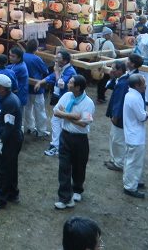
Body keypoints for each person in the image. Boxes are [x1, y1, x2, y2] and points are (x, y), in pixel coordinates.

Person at [53, 75, 95, 210]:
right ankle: (65, 198)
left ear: (77, 87)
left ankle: (77, 188)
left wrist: (65, 115)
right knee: (64, 167)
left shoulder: (88, 103)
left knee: (79, 166)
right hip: (65, 136)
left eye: (71, 82)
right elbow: (55, 111)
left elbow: (84, 123)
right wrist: (73, 116)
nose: (68, 83)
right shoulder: (67, 96)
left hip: (80, 139)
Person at [0, 73, 23, 211]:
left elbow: (9, 126)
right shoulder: (9, 98)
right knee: (11, 167)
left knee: (4, 170)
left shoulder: (9, 102)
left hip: (10, 140)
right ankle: (13, 193)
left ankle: (0, 200)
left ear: (2, 88)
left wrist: (0, 142)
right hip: (13, 137)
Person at [35, 51, 77, 157]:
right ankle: (59, 145)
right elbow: (51, 77)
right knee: (60, 122)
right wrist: (41, 82)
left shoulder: (70, 71)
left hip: (66, 100)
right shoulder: (63, 68)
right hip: (63, 99)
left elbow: (61, 84)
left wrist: (57, 72)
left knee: (56, 120)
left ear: (65, 60)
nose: (56, 59)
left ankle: (55, 146)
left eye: (58, 58)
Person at [104, 59, 136, 172]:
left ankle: (119, 163)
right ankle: (114, 159)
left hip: (119, 117)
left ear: (120, 70)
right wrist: (112, 78)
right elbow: (110, 86)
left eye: (113, 69)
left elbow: (120, 102)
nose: (111, 70)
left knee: (118, 140)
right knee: (113, 137)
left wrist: (116, 116)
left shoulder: (123, 83)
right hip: (117, 115)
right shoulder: (121, 80)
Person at [122, 74, 148, 199]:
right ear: (137, 85)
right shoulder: (135, 97)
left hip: (132, 134)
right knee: (134, 162)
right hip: (135, 135)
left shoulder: (130, 94)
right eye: (144, 83)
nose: (146, 85)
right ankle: (130, 186)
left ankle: (133, 181)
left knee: (131, 160)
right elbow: (142, 116)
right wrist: (147, 114)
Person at [23, 39, 50, 138]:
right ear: (36, 48)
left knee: (27, 109)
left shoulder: (22, 56)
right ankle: (41, 131)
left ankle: (30, 127)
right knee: (40, 110)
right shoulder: (36, 58)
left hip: (25, 87)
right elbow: (45, 71)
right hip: (36, 87)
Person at [7, 46, 29, 133]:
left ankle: (19, 134)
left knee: (18, 116)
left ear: (19, 58)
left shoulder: (20, 67)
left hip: (19, 95)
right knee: (16, 116)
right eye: (10, 55)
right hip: (18, 94)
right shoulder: (17, 64)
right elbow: (9, 67)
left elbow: (9, 74)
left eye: (13, 56)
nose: (10, 57)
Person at [94, 27, 116, 104]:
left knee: (100, 80)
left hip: (98, 63)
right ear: (107, 35)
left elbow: (94, 52)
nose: (111, 35)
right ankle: (101, 97)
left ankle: (99, 96)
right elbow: (113, 55)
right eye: (111, 34)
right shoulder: (109, 43)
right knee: (105, 81)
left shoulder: (97, 40)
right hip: (107, 64)